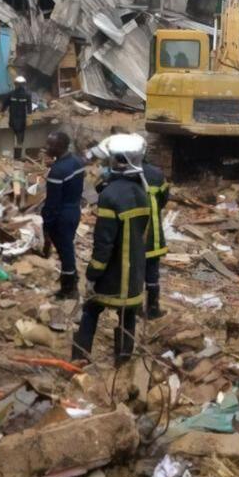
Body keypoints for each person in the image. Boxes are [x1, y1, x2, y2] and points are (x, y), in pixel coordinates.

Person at [71, 143, 151, 364]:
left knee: (91, 309)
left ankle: (80, 357)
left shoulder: (110, 196)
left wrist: (93, 274)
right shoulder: (142, 193)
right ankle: (123, 360)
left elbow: (104, 242)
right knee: (128, 317)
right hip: (135, 272)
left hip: (113, 275)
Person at [42, 130, 86, 300]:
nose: (46, 147)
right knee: (67, 248)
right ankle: (71, 280)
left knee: (65, 251)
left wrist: (46, 225)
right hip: (74, 210)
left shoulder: (58, 171)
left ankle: (69, 288)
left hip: (61, 216)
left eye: (50, 144)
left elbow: (52, 203)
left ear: (60, 146)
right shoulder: (77, 161)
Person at [140, 153, 170, 319]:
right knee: (152, 272)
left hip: (130, 233)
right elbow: (164, 199)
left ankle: (133, 309)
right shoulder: (156, 174)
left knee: (133, 271)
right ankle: (152, 309)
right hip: (153, 233)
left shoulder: (122, 173)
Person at [4, 75, 31, 158]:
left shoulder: (11, 94)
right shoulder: (27, 95)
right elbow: (29, 108)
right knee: (19, 139)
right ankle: (17, 157)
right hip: (20, 120)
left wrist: (1, 112)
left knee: (15, 138)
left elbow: (4, 105)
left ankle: (16, 157)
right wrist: (30, 116)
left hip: (14, 120)